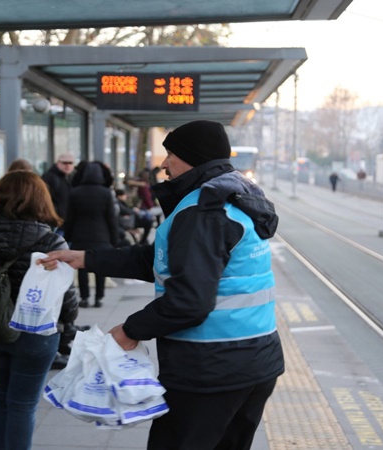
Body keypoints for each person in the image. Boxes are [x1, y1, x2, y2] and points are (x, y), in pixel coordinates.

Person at [39, 120, 283, 450]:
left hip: (210, 367)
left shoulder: (201, 212)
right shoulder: (233, 199)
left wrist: (130, 330)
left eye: (171, 154)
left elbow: (190, 301)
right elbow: (159, 260)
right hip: (253, 359)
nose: (164, 163)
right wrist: (86, 259)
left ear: (194, 158)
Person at [0, 170, 78, 450]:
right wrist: (69, 322)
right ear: (41, 200)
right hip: (36, 332)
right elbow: (67, 295)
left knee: (1, 396)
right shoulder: (51, 242)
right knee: (23, 405)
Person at [64, 161, 119, 308]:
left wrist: (67, 236)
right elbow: (111, 218)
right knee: (100, 267)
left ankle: (84, 297)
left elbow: (70, 218)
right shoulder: (105, 193)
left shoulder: (75, 192)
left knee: (81, 267)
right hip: (101, 236)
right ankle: (99, 297)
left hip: (80, 236)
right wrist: (115, 239)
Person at [41, 153, 75, 229]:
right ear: (58, 163)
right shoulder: (50, 177)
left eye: (70, 163)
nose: (68, 165)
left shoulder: (67, 178)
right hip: (55, 223)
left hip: (62, 223)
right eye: (65, 163)